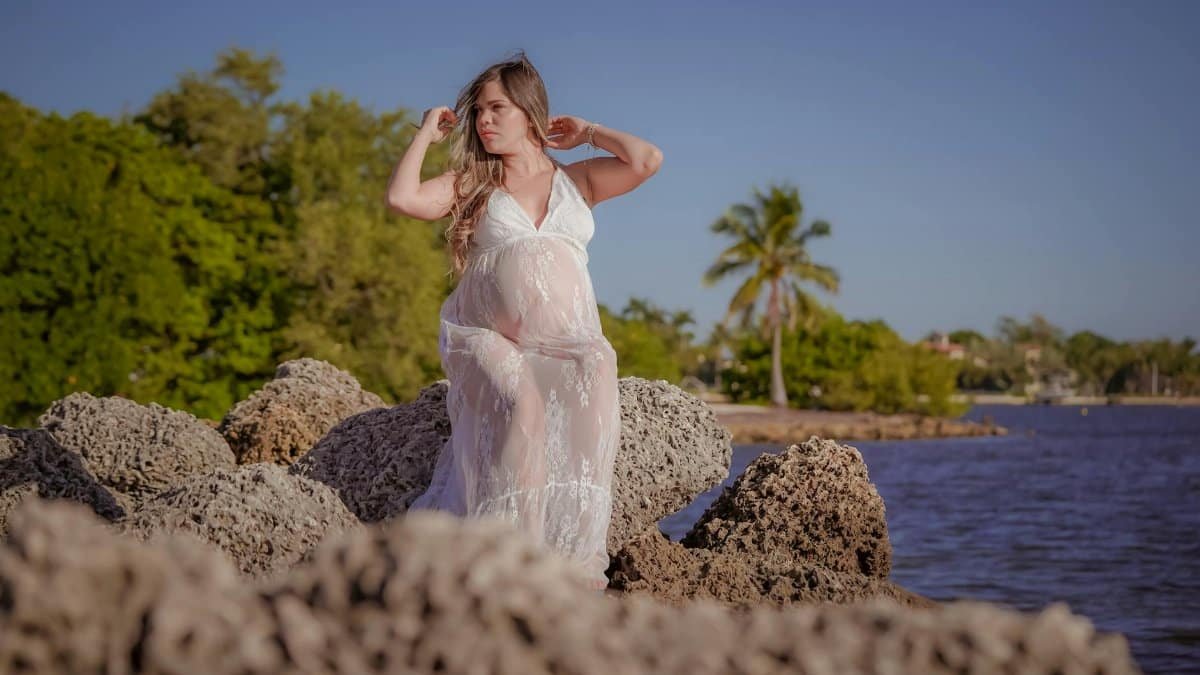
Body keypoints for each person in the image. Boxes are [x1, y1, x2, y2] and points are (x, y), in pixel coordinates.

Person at [385, 51, 663, 593]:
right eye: (478, 113)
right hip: (485, 336)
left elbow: (647, 159)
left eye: (496, 109)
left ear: (529, 113)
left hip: (567, 342)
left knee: (598, 363)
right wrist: (425, 134)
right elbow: (403, 198)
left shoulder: (578, 180)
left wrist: (589, 131)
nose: (484, 121)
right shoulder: (473, 184)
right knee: (522, 404)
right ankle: (513, 555)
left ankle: (574, 563)